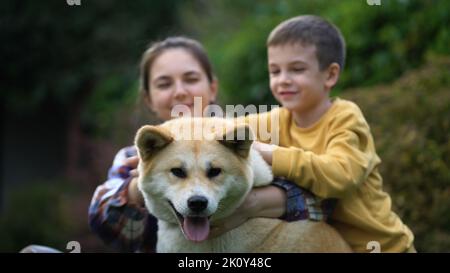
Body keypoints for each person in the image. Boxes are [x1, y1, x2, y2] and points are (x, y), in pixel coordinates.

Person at [88, 36, 335, 252]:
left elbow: (330, 200)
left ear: (212, 87)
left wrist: (255, 203)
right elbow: (105, 223)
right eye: (164, 84)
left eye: (191, 78)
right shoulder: (133, 156)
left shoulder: (247, 142)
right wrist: (138, 185)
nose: (180, 92)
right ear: (149, 99)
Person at [245, 15, 415, 253]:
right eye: (275, 71)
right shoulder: (278, 120)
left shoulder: (345, 118)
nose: (283, 80)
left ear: (330, 75)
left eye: (296, 69)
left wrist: (271, 153)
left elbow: (339, 176)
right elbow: (226, 129)